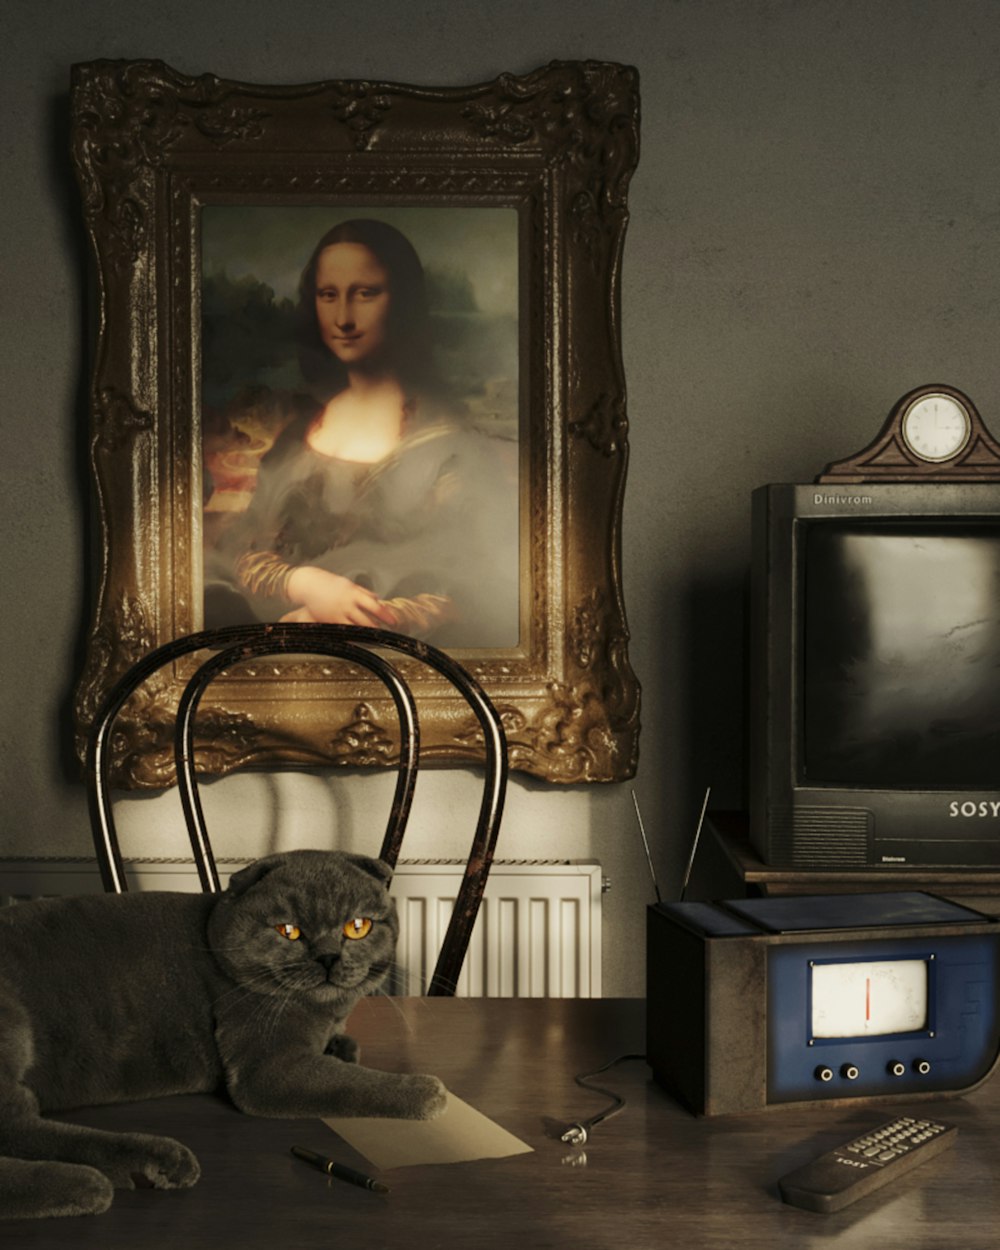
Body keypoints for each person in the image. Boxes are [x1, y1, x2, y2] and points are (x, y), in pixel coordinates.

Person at [204, 219, 519, 648]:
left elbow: (476, 586)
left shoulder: (450, 446)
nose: (344, 318)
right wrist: (306, 583)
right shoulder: (300, 433)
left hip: (393, 657)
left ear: (402, 302)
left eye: (366, 293)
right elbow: (245, 549)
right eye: (328, 295)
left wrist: (340, 621)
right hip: (278, 640)